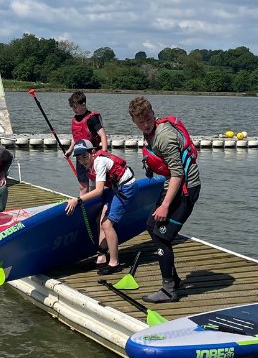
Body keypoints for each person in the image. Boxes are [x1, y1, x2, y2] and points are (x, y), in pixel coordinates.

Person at [128, 96, 201, 303]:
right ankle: (174, 281)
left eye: (148, 119)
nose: (146, 125)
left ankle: (168, 290)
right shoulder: (149, 132)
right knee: (152, 226)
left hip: (185, 189)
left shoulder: (164, 136)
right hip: (173, 185)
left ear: (153, 113)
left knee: (162, 236)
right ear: (134, 121)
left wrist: (165, 206)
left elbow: (178, 174)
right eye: (141, 122)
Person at [64, 139, 138, 274]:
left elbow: (98, 191)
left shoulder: (99, 162)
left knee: (107, 224)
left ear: (92, 152)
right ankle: (101, 257)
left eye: (84, 156)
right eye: (79, 158)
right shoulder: (89, 165)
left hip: (126, 187)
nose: (82, 161)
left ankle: (115, 263)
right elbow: (94, 190)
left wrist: (77, 200)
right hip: (115, 188)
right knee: (100, 219)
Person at [65, 91, 108, 196]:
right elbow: (76, 138)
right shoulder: (75, 119)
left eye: (75, 107)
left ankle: (96, 203)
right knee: (82, 185)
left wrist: (104, 152)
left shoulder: (92, 118)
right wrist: (70, 150)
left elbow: (103, 135)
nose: (74, 109)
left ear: (83, 104)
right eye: (72, 107)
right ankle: (83, 203)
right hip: (80, 156)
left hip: (92, 155)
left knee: (94, 186)